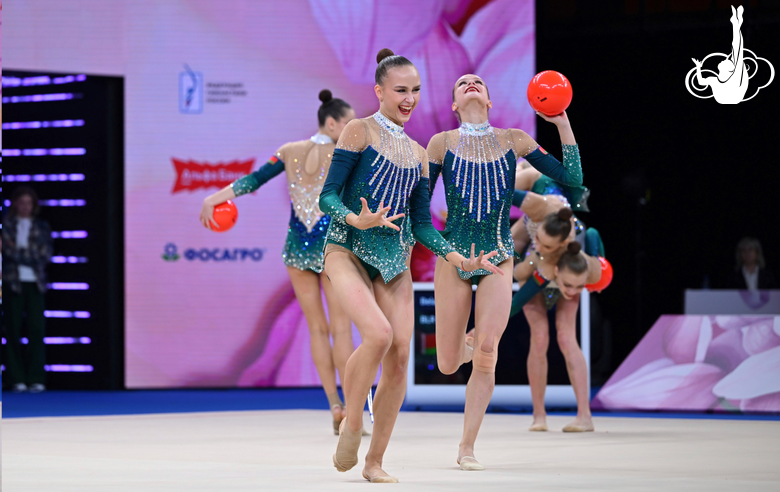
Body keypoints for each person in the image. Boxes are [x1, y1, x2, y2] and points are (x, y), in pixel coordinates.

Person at [319, 50, 502, 483]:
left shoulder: (420, 154)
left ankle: (374, 462)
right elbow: (327, 196)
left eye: (415, 90)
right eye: (400, 90)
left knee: (401, 356)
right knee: (379, 334)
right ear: (379, 91)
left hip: (393, 260)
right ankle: (352, 422)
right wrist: (354, 218)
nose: (409, 99)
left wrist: (456, 257)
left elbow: (420, 224)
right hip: (346, 248)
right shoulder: (358, 130)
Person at [426, 74, 584, 470]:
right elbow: (420, 211)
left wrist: (562, 122)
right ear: (454, 104)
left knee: (487, 352)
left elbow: (573, 180)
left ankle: (467, 447)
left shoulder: (513, 139)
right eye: (462, 83)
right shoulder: (440, 143)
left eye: (478, 81)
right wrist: (445, 252)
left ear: (490, 101)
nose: (471, 83)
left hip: (498, 256)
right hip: (454, 257)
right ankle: (460, 349)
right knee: (448, 364)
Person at [199, 90, 357, 434]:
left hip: (297, 249)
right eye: (349, 123)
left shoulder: (289, 151)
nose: (352, 129)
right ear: (332, 123)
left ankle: (334, 405)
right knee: (341, 329)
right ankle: (352, 411)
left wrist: (215, 197)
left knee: (317, 329)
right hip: (332, 250)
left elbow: (253, 180)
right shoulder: (346, 153)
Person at [510, 204, 605, 432]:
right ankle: (539, 415)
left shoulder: (581, 264)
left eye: (579, 287)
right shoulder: (539, 261)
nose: (573, 291)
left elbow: (594, 239)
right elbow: (517, 298)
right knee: (540, 337)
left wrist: (580, 282)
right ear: (555, 273)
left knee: (566, 338)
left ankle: (585, 416)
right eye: (569, 285)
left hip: (564, 266)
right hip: (533, 276)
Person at [2, 186, 53, 393]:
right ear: (15, 204)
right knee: (12, 330)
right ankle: (16, 378)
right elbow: (5, 250)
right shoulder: (6, 226)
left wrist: (17, 252)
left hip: (35, 283)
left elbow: (44, 255)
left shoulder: (42, 227)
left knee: (36, 329)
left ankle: (36, 377)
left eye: (28, 203)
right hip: (12, 282)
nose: (25, 206)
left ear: (34, 205)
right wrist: (25, 253)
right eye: (21, 202)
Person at [692, 6, 748, 104]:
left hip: (732, 95)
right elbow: (701, 82)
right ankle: (736, 24)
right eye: (728, 60)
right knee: (737, 51)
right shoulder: (718, 79)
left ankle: (736, 24)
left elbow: (701, 81)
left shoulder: (724, 79)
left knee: (737, 51)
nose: (725, 59)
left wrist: (698, 67)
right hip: (731, 96)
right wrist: (698, 67)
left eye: (727, 61)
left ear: (728, 69)